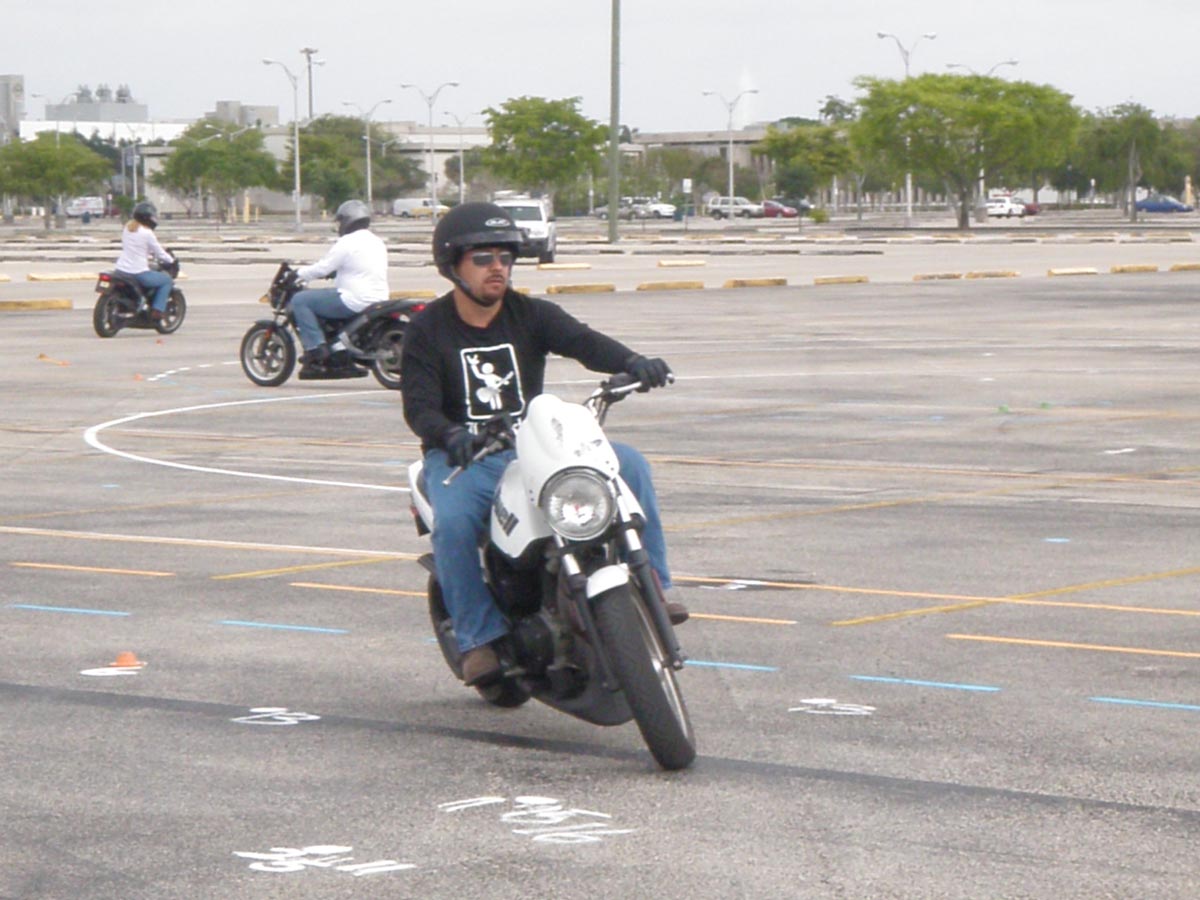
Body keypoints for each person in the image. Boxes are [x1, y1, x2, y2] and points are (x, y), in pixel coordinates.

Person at [401, 202, 687, 687]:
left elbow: (585, 342)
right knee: (452, 524)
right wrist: (451, 435)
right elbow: (420, 407)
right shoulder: (428, 329)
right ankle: (477, 638)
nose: (497, 268)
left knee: (630, 466)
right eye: (483, 258)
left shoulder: (530, 314)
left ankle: (654, 583)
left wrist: (633, 362)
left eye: (505, 258)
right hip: (466, 457)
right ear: (453, 265)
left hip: (532, 445)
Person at [293, 199, 389, 379]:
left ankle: (315, 348)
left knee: (300, 300)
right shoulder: (377, 242)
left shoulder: (347, 242)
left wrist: (298, 273)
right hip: (379, 298)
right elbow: (359, 267)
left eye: (340, 220)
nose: (339, 225)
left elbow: (323, 268)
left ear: (348, 219)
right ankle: (340, 352)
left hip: (353, 300)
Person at [114, 202, 175, 320]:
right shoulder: (147, 233)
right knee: (166, 280)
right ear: (148, 218)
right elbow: (159, 252)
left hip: (120, 269)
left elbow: (137, 246)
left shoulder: (127, 228)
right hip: (137, 273)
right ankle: (157, 311)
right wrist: (171, 260)